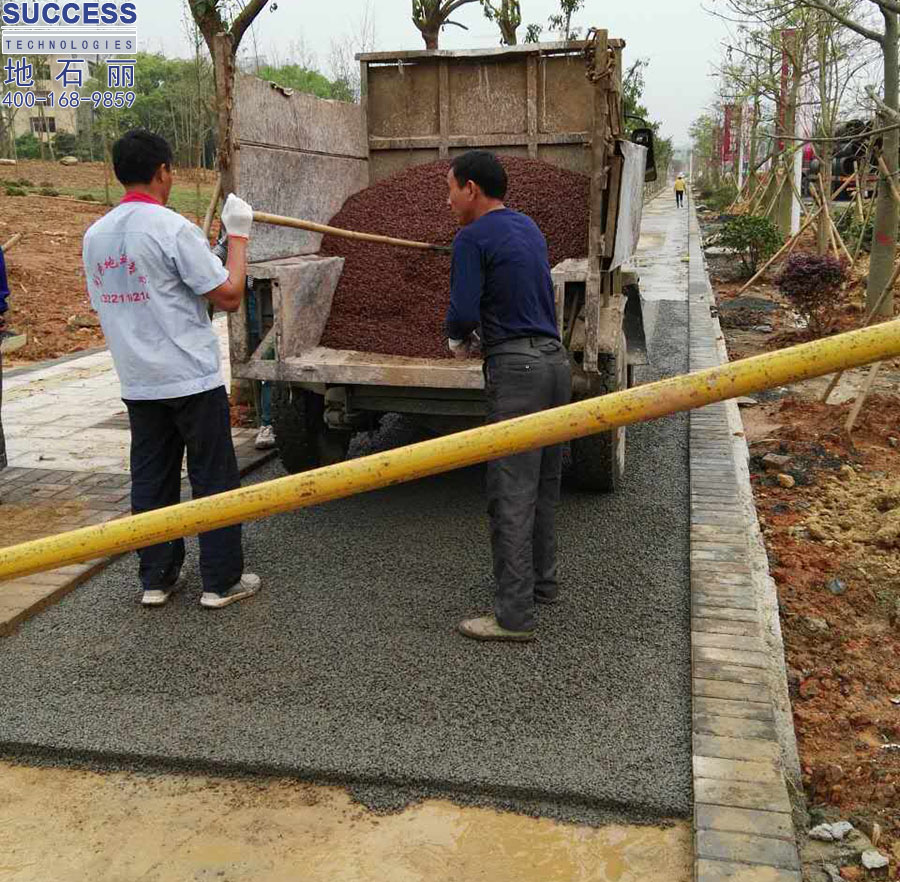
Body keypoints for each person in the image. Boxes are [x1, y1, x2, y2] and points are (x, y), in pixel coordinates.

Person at [82, 128, 260, 609]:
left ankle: (156, 579)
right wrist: (238, 237)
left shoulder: (95, 237)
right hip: (190, 377)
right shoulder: (169, 228)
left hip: (138, 379)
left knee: (151, 479)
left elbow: (158, 288)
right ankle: (222, 583)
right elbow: (227, 294)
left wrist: (216, 249)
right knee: (213, 478)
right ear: (163, 172)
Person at [445, 150, 571, 643]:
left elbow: (462, 310)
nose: (449, 199)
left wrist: (458, 339)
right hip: (556, 364)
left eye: (451, 188)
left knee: (510, 492)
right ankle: (543, 584)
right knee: (542, 485)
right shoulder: (530, 228)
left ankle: (513, 616)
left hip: (516, 371)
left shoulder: (471, 237)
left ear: (472, 189)